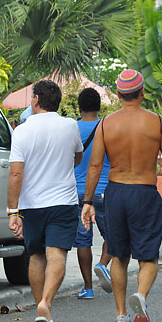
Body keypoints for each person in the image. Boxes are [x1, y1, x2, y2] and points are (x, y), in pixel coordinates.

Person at [81, 70, 162, 322]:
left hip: (115, 193)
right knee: (148, 257)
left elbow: (94, 165)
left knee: (120, 256)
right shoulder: (157, 122)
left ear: (118, 94)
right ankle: (142, 296)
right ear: (143, 92)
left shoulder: (106, 124)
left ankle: (121, 315)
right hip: (145, 192)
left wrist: (88, 201)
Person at [7, 79, 83, 322]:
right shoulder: (70, 125)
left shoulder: (22, 131)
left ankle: (40, 307)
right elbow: (77, 157)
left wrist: (13, 211)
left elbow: (16, 175)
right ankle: (45, 305)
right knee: (57, 255)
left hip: (32, 205)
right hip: (63, 201)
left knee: (37, 256)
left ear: (36, 100)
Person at [73, 88, 113, 299]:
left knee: (82, 240)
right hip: (104, 190)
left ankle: (87, 288)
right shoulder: (106, 127)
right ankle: (103, 264)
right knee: (113, 235)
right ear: (99, 107)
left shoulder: (72, 128)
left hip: (78, 192)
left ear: (79, 107)